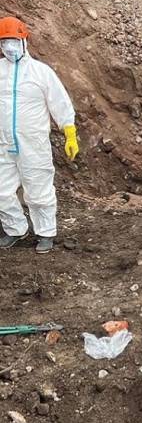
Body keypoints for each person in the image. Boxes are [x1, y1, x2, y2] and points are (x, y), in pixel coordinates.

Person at [0, 17, 79, 253]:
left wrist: (70, 133)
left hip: (33, 144)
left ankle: (45, 233)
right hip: (3, 144)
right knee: (1, 191)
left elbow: (60, 102)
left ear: (24, 40)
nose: (9, 46)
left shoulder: (41, 72)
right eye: (4, 42)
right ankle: (15, 229)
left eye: (13, 40)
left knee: (38, 191)